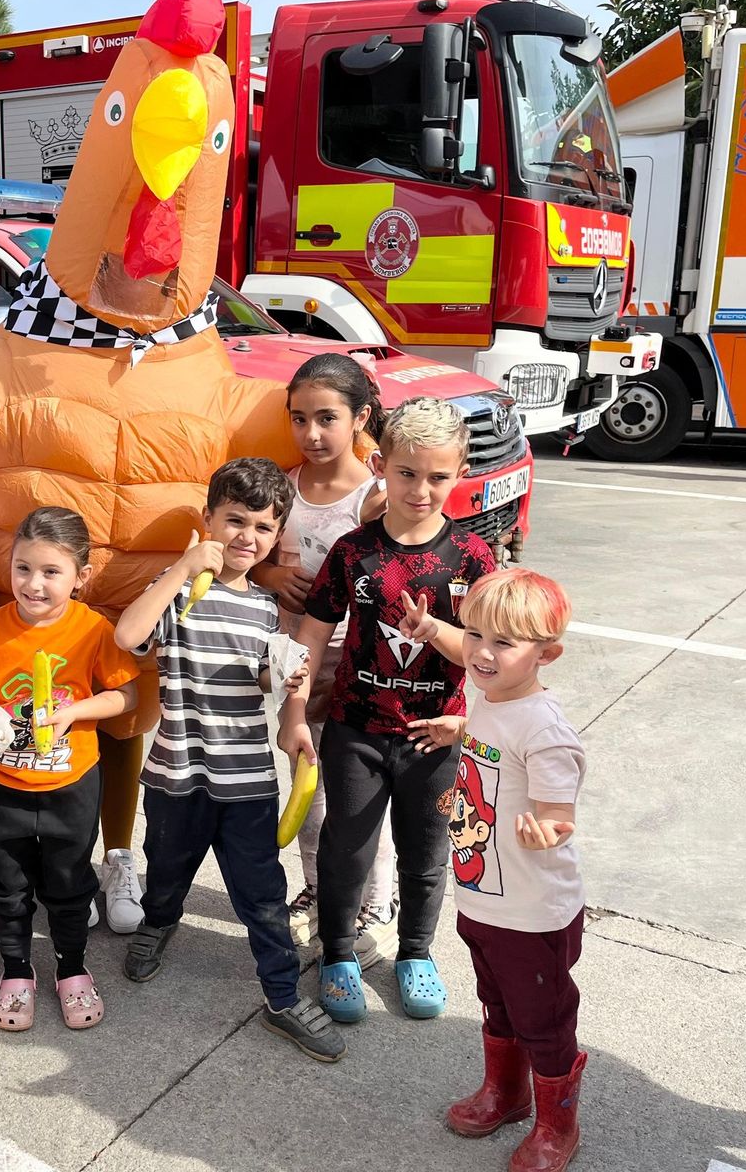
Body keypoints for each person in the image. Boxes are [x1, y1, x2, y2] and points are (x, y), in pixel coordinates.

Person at [115, 458, 346, 1063]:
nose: (247, 537)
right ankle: (157, 922)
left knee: (263, 891)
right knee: (165, 865)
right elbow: (127, 635)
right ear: (208, 520)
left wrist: (289, 684)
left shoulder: (268, 611)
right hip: (176, 772)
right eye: (234, 521)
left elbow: (274, 679)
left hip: (246, 781)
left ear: (277, 537)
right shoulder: (177, 592)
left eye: (263, 528)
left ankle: (281, 996)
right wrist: (184, 566)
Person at [281, 396, 495, 1024]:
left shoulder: (475, 560)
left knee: (426, 852)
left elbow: (486, 653)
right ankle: (340, 952)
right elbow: (312, 636)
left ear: (459, 474)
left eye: (438, 477)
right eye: (406, 473)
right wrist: (296, 712)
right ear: (380, 465)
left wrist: (436, 634)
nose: (421, 490)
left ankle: (416, 953)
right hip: (356, 726)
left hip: (438, 735)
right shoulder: (354, 552)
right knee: (346, 847)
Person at [422, 568, 589, 1172]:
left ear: (548, 655)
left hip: (531, 911)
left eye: (504, 643)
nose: (482, 653)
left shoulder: (545, 731)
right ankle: (508, 1093)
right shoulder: (487, 696)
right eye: (475, 635)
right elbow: (465, 664)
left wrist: (548, 829)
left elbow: (558, 811)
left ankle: (556, 1125)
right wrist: (458, 728)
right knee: (496, 1002)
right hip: (481, 899)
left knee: (543, 1020)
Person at [0, 507, 140, 1032]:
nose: (33, 584)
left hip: (71, 783)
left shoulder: (92, 630)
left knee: (68, 883)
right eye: (22, 568)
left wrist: (74, 712)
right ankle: (16, 970)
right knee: (6, 884)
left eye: (50, 572)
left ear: (80, 578)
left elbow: (125, 695)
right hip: (4, 786)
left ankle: (71, 967)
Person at [250, 353, 396, 964]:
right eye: (298, 418)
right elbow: (249, 551)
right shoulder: (282, 488)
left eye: (327, 418)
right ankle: (315, 889)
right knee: (307, 782)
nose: (311, 434)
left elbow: (396, 572)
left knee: (360, 791)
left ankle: (374, 903)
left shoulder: (375, 497)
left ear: (361, 417)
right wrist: (269, 573)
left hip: (363, 669)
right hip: (298, 667)